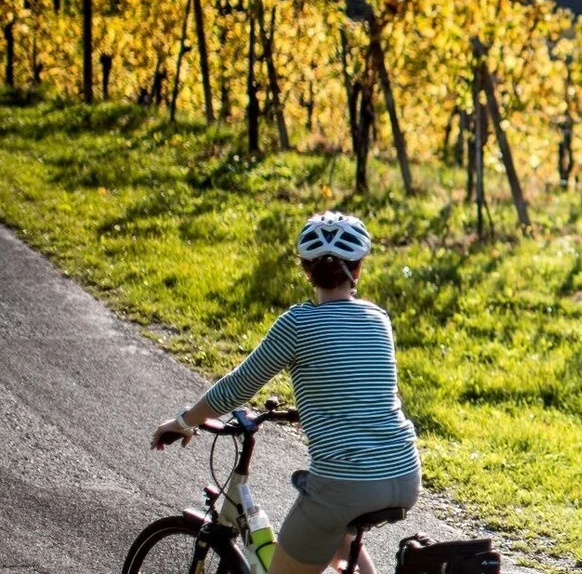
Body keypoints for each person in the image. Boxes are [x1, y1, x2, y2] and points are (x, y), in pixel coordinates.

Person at [150, 211, 420, 574]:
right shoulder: (378, 318)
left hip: (346, 483)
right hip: (403, 472)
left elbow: (236, 388)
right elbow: (360, 389)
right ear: (357, 270)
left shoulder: (298, 323)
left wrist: (184, 420)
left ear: (306, 270)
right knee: (340, 533)